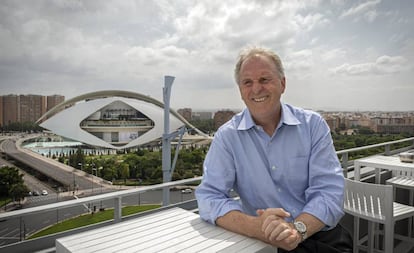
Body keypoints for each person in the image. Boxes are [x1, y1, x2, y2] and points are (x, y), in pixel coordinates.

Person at [195, 46, 352, 252]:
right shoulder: (227, 136)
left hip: (318, 234)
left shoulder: (313, 125)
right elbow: (209, 197)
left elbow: (329, 191)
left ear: (283, 84)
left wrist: (296, 230)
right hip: (263, 241)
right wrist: (255, 226)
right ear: (241, 91)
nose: (256, 89)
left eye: (264, 80)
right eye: (247, 82)